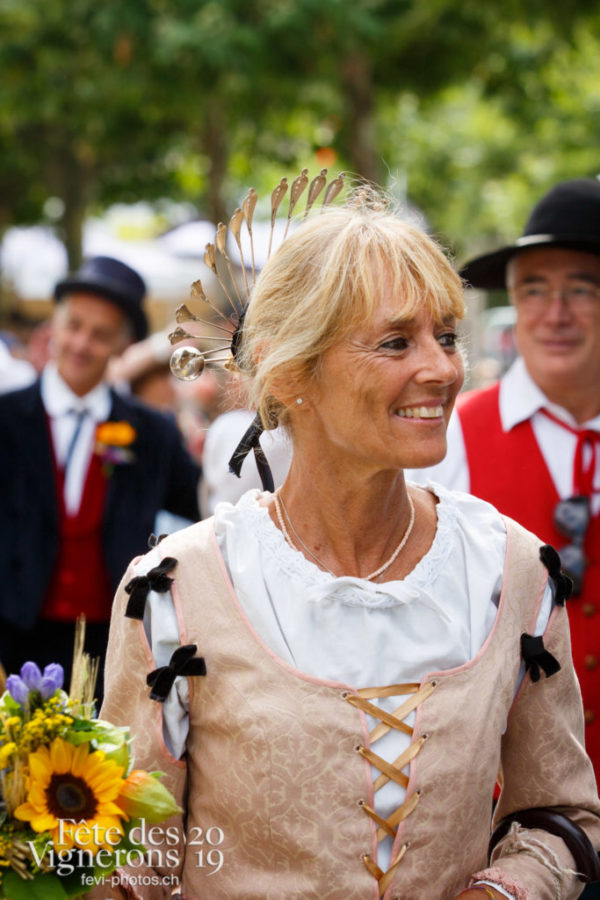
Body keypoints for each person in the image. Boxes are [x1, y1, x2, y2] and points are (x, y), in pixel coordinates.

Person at [96, 195, 600, 900]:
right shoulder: (180, 588)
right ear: (291, 371)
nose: (442, 369)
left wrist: (503, 892)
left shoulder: (509, 570)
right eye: (396, 342)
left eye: (447, 337)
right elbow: (130, 860)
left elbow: (562, 815)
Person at [408, 178, 600, 784]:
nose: (554, 313)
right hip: (503, 792)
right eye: (534, 290)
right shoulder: (450, 434)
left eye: (581, 289)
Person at [0, 256, 201, 691]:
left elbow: (203, 508)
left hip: (115, 644)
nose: (81, 343)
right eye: (73, 326)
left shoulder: (152, 434)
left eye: (100, 334)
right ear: (53, 327)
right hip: (14, 636)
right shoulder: (6, 417)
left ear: (121, 346)